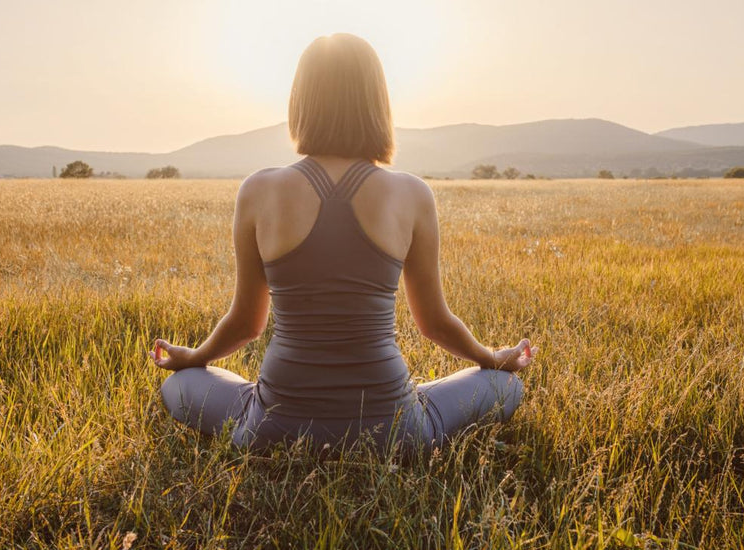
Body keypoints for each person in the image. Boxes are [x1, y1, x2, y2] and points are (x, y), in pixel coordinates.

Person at [151, 33, 536, 456]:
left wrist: (195, 356)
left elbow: (247, 324)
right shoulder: (411, 193)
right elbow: (435, 324)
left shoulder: (258, 189)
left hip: (272, 429)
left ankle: (264, 412)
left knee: (180, 385)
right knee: (505, 386)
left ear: (301, 102)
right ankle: (409, 408)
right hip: (396, 433)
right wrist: (490, 358)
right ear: (377, 103)